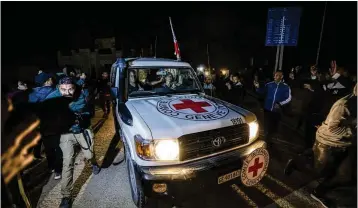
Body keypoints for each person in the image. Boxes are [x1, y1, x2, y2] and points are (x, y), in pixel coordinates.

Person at [284, 83, 357, 207]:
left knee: (344, 176)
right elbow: (332, 129)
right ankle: (297, 162)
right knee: (317, 171)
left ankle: (319, 193)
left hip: (346, 144)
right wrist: (353, 132)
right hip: (328, 142)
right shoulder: (343, 104)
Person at [45, 77, 101, 208]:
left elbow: (86, 110)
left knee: (89, 154)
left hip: (82, 129)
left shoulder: (82, 94)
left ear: (75, 88)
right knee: (68, 162)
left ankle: (93, 162)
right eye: (63, 90)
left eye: (70, 89)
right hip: (66, 134)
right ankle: (66, 196)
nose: (67, 92)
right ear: (58, 88)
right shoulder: (52, 97)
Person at [254, 70, 292, 147]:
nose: (275, 76)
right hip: (267, 108)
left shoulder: (285, 87)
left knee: (274, 125)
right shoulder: (269, 84)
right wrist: (257, 87)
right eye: (274, 75)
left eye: (277, 75)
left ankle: (272, 139)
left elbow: (289, 98)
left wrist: (280, 104)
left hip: (277, 110)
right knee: (267, 124)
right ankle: (267, 140)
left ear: (281, 77)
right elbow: (262, 92)